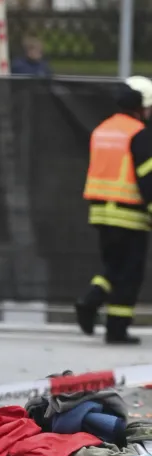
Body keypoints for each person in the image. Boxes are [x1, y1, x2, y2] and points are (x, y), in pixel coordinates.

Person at [76, 76, 152, 345]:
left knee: (115, 267)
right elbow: (147, 178)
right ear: (141, 105)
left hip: (100, 211)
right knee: (129, 272)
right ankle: (114, 327)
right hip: (129, 212)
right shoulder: (139, 133)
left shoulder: (103, 129)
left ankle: (92, 300)